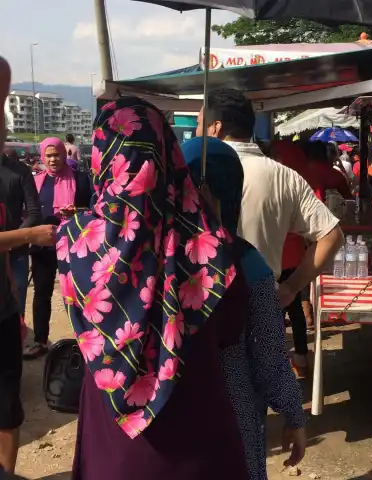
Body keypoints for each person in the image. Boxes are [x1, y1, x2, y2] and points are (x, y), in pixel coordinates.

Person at [64, 97, 252, 480]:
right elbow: (231, 331)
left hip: (112, 456)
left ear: (102, 157)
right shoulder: (213, 246)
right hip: (200, 448)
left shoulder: (75, 243)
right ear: (168, 153)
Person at [183, 137, 306, 479]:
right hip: (234, 414)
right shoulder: (247, 262)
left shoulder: (151, 262)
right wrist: (293, 416)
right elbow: (269, 353)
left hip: (171, 420)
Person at [196, 88, 344, 309]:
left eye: (198, 124)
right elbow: (332, 236)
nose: (196, 131)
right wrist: (291, 287)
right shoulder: (285, 176)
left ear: (215, 128)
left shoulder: (197, 172)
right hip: (264, 302)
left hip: (207, 304)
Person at [0, 56, 57, 476]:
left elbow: (34, 209)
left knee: (6, 404)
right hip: (22, 253)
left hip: (3, 300)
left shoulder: (16, 171)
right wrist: (26, 237)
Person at [23, 138, 91, 360]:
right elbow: (30, 212)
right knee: (41, 293)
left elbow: (92, 209)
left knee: (77, 295)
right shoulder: (35, 182)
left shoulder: (81, 180)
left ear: (64, 154)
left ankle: (85, 343)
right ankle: (41, 341)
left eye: (57, 155)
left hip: (72, 246)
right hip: (43, 248)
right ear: (43, 157)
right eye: (49, 156)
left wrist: (77, 211)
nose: (53, 159)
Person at [270, 140, 315, 375]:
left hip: (271, 255)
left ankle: (280, 361)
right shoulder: (292, 184)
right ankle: (301, 358)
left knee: (274, 312)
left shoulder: (260, 185)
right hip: (292, 254)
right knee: (294, 308)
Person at [0, 137, 42, 321]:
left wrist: (14, 239)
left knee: (16, 312)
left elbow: (34, 212)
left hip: (16, 253)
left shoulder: (20, 172)